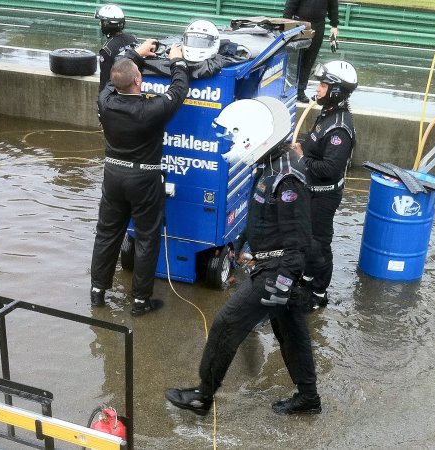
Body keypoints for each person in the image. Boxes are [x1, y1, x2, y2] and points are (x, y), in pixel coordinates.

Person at [166, 97, 321, 416]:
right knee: (291, 332)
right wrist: (238, 246)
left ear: (254, 137)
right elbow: (260, 217)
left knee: (226, 324)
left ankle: (202, 396)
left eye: (237, 136)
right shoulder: (269, 165)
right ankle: (309, 397)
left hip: (278, 270)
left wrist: (279, 285)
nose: (233, 143)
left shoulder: (288, 179)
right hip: (270, 265)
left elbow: (299, 241)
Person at [90, 39, 190, 315]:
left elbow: (113, 76)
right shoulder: (150, 109)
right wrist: (177, 59)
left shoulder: (105, 100)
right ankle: (140, 301)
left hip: (113, 175)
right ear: (138, 80)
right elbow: (179, 90)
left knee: (107, 234)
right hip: (144, 180)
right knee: (147, 237)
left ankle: (97, 292)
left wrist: (135, 53)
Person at [290, 60, 357, 311]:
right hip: (311, 192)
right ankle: (306, 280)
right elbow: (315, 145)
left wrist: (301, 158)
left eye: (323, 85)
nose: (318, 89)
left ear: (337, 91)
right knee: (306, 240)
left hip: (324, 196)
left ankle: (319, 293)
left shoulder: (340, 127)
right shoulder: (328, 114)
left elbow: (330, 168)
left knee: (318, 244)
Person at [283, 0, 339, 103]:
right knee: (293, 60)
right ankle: (288, 89)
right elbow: (291, 4)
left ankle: (300, 90)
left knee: (309, 60)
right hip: (300, 23)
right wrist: (286, 23)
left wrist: (334, 25)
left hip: (318, 25)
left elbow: (333, 6)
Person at [95, 4, 138, 92]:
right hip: (136, 89)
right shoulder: (133, 39)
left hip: (118, 96)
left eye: (101, 21)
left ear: (106, 24)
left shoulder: (107, 50)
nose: (100, 24)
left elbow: (105, 82)